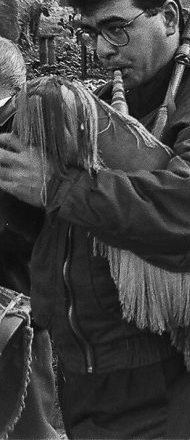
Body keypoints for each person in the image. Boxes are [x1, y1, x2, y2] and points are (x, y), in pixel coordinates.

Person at [0, 0, 190, 438]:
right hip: (84, 350)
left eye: (117, 28)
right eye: (92, 32)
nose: (102, 50)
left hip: (146, 362)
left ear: (168, 17)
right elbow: (54, 227)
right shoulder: (100, 106)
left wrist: (59, 187)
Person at [0, 38, 58, 439]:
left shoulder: (22, 134)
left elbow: (33, 227)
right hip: (21, 299)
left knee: (28, 420)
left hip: (20, 305)